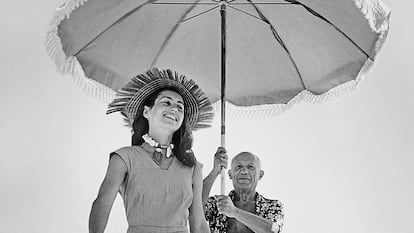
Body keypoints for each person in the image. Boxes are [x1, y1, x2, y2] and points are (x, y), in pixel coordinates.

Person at [89, 68, 214, 233]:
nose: (174, 109)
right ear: (147, 112)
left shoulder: (193, 167)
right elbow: (102, 204)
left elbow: (198, 224)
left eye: (180, 107)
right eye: (166, 102)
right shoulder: (124, 158)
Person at [203, 148, 284, 233]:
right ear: (230, 174)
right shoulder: (218, 204)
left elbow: (272, 230)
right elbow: (194, 207)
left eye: (251, 167)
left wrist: (235, 212)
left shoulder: (273, 206)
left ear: (260, 175)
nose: (244, 171)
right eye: (239, 167)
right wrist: (214, 172)